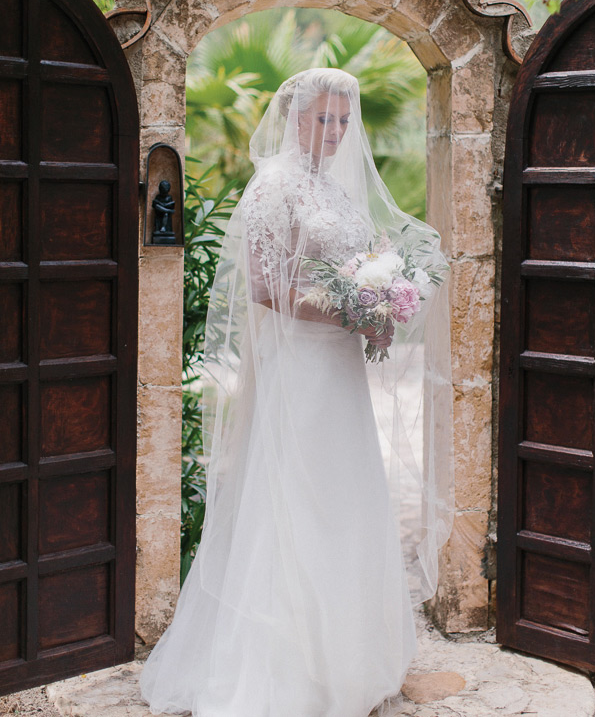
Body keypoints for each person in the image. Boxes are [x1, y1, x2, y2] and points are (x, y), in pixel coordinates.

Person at [140, 68, 454, 717]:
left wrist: (381, 294)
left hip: (338, 369)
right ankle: (288, 671)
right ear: (297, 117)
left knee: (345, 491)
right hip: (298, 371)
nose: (335, 132)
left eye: (344, 120)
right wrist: (350, 310)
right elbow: (262, 284)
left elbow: (364, 256)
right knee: (296, 494)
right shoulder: (274, 185)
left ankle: (347, 656)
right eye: (324, 119)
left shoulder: (335, 191)